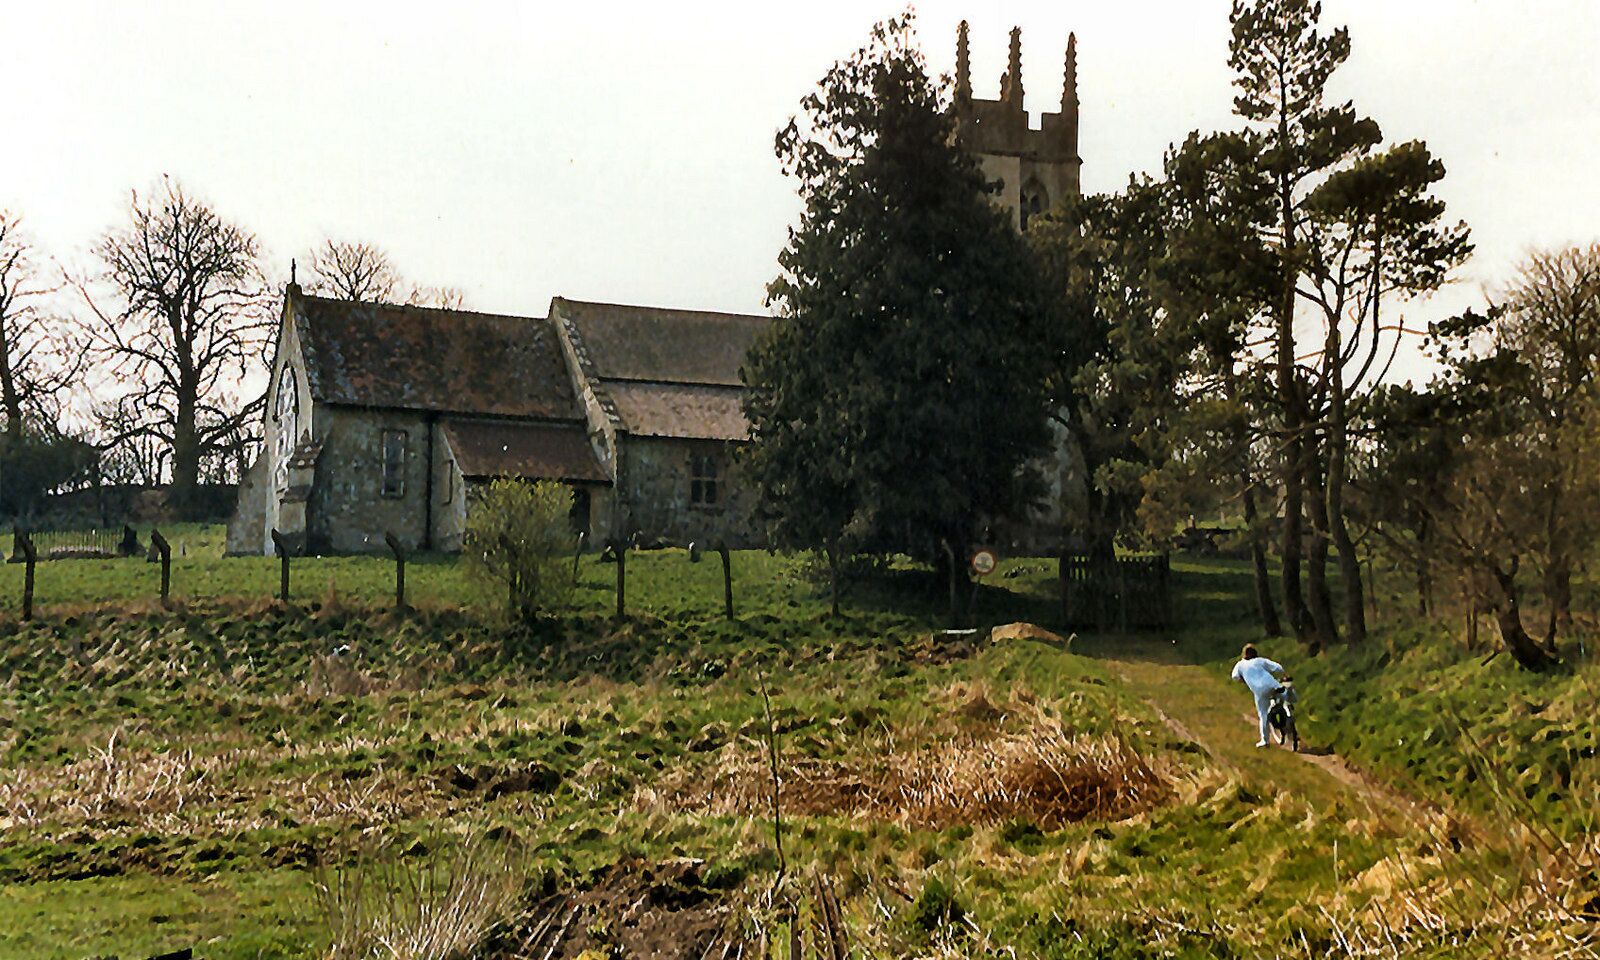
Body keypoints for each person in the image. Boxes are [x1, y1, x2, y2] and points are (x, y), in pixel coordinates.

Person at [1231, 643, 1286, 748]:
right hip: (1273, 685)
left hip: (1259, 691)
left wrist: (1244, 680)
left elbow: (1235, 677)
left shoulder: (1240, 665)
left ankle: (1265, 740)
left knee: (1263, 714)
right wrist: (1284, 674)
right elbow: (1277, 667)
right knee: (1285, 697)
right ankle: (1290, 719)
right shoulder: (1260, 661)